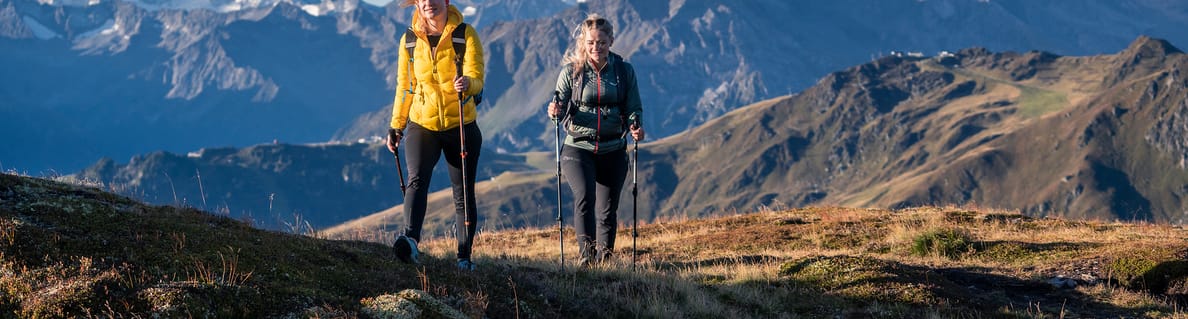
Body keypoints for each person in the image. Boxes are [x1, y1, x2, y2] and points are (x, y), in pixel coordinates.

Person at [386, 0, 485, 271]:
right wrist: (397, 126)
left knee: (463, 192)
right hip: (422, 123)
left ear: (446, 2)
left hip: (461, 125)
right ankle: (410, 243)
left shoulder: (465, 34)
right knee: (417, 180)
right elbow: (404, 87)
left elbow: (478, 77)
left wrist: (468, 83)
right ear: (417, 4)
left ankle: (464, 257)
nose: (429, 3)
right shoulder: (408, 40)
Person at [548, 13, 645, 268]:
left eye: (601, 42)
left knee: (607, 210)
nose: (596, 48)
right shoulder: (572, 72)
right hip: (578, 146)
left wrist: (636, 125)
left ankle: (605, 261)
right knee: (584, 198)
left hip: (614, 147)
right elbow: (558, 103)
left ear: (611, 41)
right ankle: (586, 260)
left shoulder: (624, 72)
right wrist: (554, 111)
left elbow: (634, 106)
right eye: (591, 42)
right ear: (584, 42)